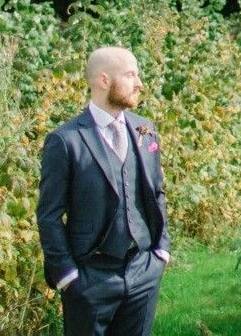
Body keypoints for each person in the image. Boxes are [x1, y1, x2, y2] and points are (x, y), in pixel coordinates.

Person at [37, 47, 172, 335]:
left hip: (142, 269)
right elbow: (49, 215)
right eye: (130, 75)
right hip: (89, 278)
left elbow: (156, 192)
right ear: (103, 80)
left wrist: (161, 251)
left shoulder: (145, 129)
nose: (139, 83)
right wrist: (67, 275)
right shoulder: (65, 140)